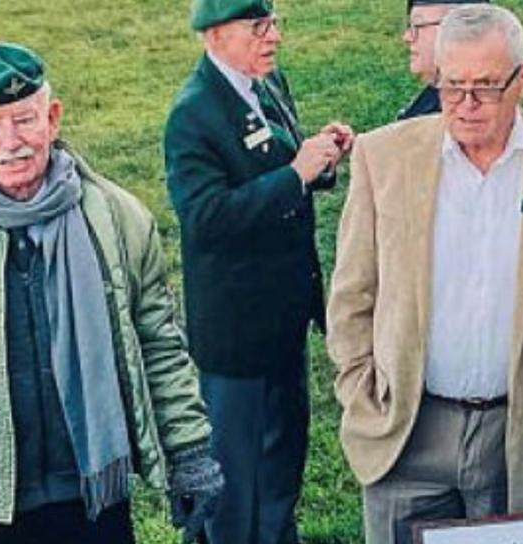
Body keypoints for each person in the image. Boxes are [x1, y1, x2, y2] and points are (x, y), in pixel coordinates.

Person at [327, 5, 523, 543]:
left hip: (517, 442)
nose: (466, 106)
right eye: (452, 86)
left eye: (487, 87)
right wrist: (362, 392)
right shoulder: (383, 159)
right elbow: (352, 297)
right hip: (405, 432)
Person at [0, 42, 222, 544]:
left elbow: (160, 346)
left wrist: (189, 454)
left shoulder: (120, 219)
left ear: (52, 119)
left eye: (25, 119)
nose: (11, 141)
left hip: (93, 499)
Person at [162, 0, 354, 543]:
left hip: (282, 324)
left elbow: (272, 168)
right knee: (233, 487)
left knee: (280, 467)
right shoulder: (194, 114)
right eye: (259, 26)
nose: (274, 36)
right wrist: (295, 174)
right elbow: (205, 218)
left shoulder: (266, 84)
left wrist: (317, 163)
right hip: (236, 340)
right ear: (215, 34)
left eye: (274, 23)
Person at [396, 0, 490, 120]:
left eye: (416, 26)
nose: (407, 37)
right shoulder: (432, 98)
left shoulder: (472, 119)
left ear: (458, 31)